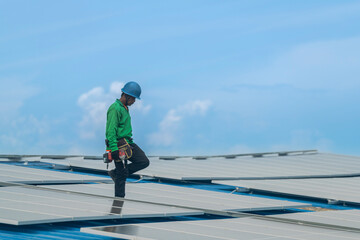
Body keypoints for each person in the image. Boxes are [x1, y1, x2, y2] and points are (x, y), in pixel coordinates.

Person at [105, 81, 150, 197]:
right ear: (127, 96)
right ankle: (118, 204)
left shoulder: (124, 108)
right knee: (121, 178)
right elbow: (111, 131)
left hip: (128, 143)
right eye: (133, 98)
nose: (134, 101)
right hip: (118, 145)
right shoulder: (115, 108)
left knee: (143, 161)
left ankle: (116, 173)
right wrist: (113, 149)